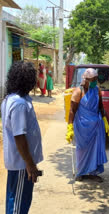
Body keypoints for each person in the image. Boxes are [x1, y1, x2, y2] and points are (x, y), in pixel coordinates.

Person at [1, 61, 43, 214]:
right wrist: (30, 165)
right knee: (18, 205)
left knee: (17, 200)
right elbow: (19, 136)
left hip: (21, 163)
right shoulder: (18, 103)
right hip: (22, 165)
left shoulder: (12, 99)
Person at [66, 68, 109, 182]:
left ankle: (93, 172)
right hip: (82, 126)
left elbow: (101, 107)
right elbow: (72, 110)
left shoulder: (97, 90)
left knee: (95, 149)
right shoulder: (78, 92)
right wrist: (70, 127)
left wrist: (105, 121)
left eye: (96, 80)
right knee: (82, 149)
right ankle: (81, 172)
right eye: (92, 80)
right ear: (85, 80)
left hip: (96, 125)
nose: (95, 82)